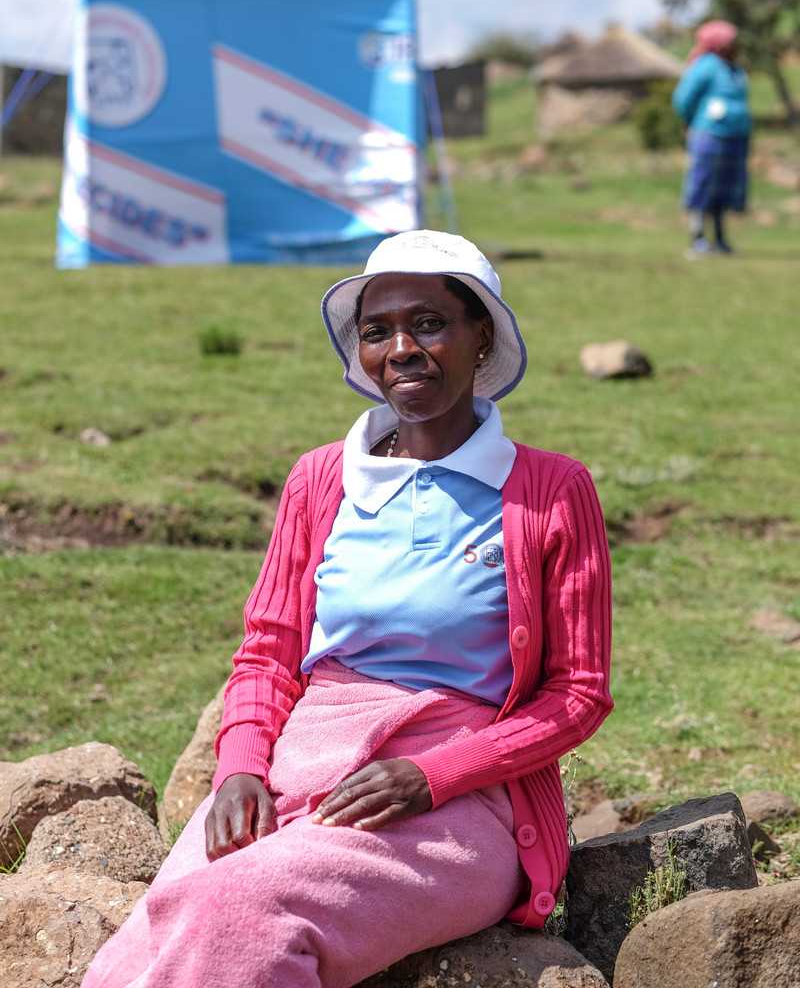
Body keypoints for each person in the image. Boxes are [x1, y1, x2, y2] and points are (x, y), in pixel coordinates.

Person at [82, 230, 613, 988]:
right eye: (376, 331)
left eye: (429, 323)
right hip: (300, 762)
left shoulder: (549, 492)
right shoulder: (322, 479)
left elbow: (578, 695)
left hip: (459, 799)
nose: (401, 348)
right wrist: (238, 770)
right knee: (161, 926)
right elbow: (267, 652)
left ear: (481, 335)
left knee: (242, 911)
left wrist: (431, 775)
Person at [672, 20, 752, 258]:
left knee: (723, 191)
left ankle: (719, 240)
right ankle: (697, 239)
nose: (736, 46)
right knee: (703, 186)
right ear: (718, 44)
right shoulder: (705, 66)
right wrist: (689, 121)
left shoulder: (735, 70)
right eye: (731, 42)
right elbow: (683, 99)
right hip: (709, 136)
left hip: (735, 138)